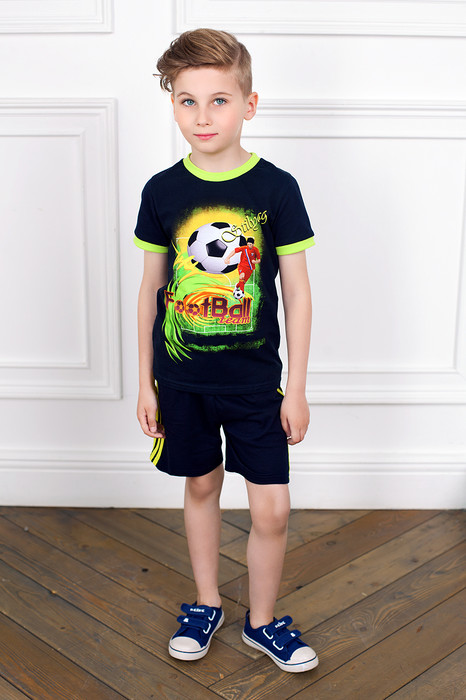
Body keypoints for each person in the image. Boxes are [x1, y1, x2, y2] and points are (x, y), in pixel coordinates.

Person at [134, 28, 318, 673]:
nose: (202, 116)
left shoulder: (275, 188)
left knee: (272, 508)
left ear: (249, 104)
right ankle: (206, 602)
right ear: (173, 105)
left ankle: (262, 622)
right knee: (202, 483)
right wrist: (145, 382)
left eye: (218, 100)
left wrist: (296, 389)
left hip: (255, 384)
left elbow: (297, 293)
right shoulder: (162, 191)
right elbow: (151, 290)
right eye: (188, 101)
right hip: (182, 381)